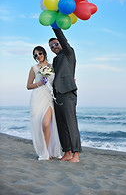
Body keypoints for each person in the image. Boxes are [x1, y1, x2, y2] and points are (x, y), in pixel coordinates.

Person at [49, 28, 82, 162]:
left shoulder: (69, 52)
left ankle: (76, 155)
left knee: (71, 124)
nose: (54, 47)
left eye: (56, 44)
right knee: (61, 125)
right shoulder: (55, 60)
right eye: (51, 46)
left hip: (68, 93)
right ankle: (67, 152)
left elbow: (62, 39)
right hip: (57, 95)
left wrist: (55, 27)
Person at [27, 46, 61, 160]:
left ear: (44, 53)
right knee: (38, 125)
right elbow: (28, 86)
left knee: (46, 124)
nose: (38, 56)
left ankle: (47, 151)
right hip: (37, 98)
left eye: (40, 53)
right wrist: (40, 83)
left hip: (49, 98)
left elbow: (58, 80)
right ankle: (44, 153)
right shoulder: (34, 68)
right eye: (35, 55)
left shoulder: (52, 67)